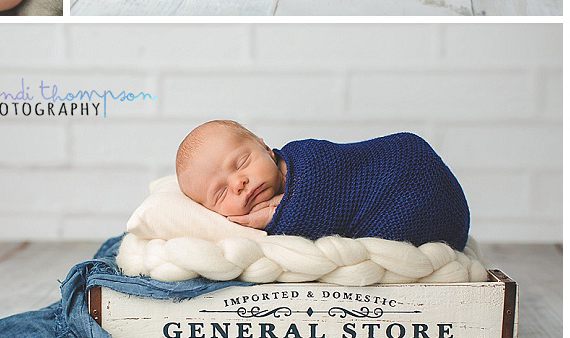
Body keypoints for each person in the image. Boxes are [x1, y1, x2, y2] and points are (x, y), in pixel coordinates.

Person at [175, 120, 471, 250]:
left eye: (240, 163)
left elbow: (333, 179)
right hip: (406, 227)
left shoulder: (307, 157)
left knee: (407, 150)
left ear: (266, 149)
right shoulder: (245, 230)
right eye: (221, 193)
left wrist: (285, 217)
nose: (238, 183)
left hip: (408, 172)